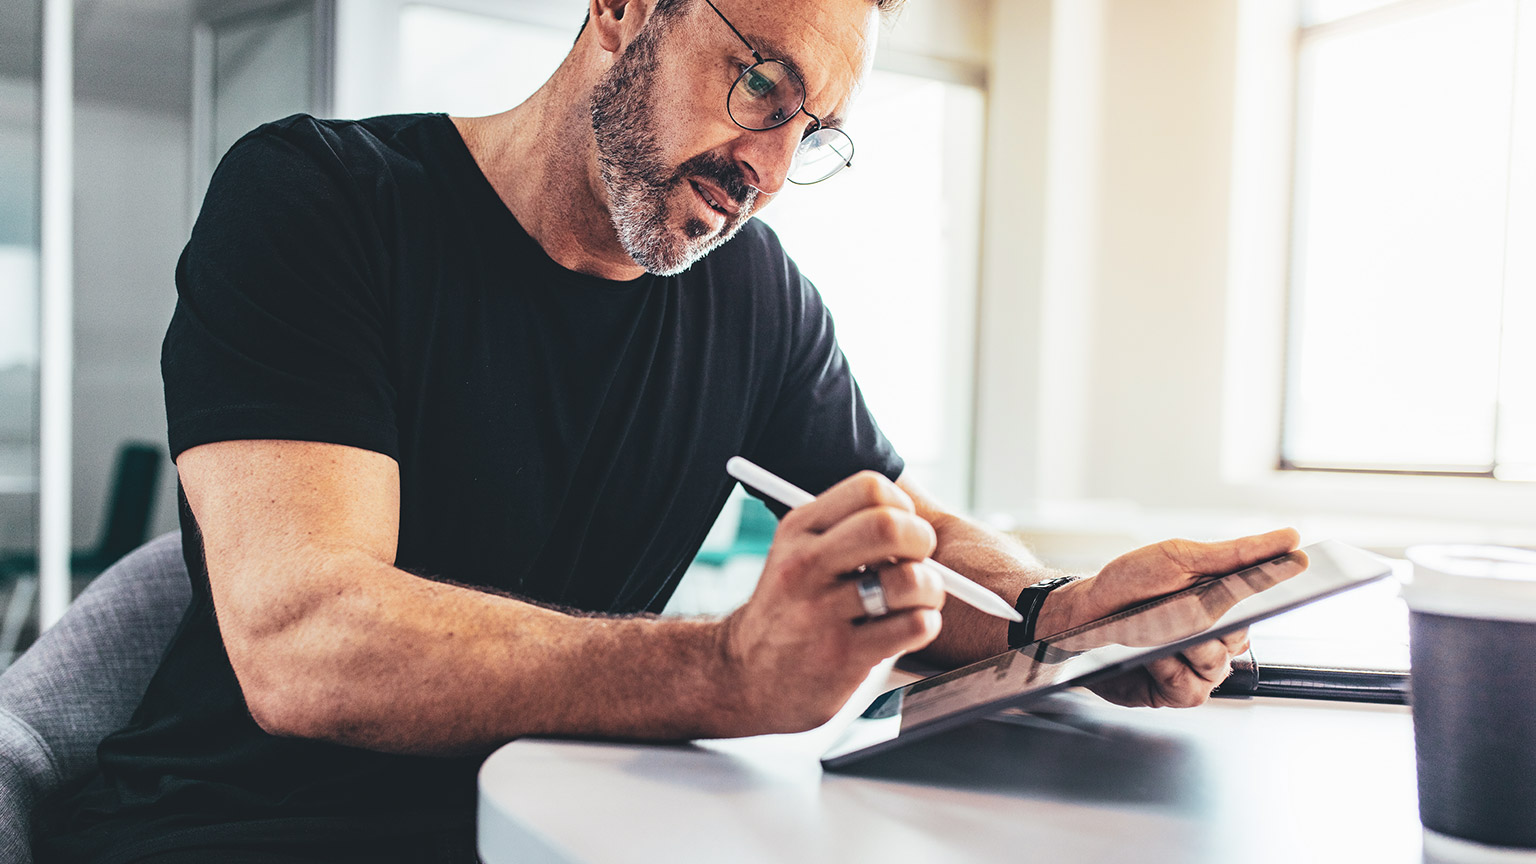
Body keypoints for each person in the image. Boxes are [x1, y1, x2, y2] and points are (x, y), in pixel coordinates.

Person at [37, 0, 1297, 861]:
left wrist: (1063, 615)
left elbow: (900, 538)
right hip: (236, 837)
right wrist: (724, 672)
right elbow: (303, 644)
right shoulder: (321, 202)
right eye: (763, 84)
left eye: (814, 131)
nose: (769, 164)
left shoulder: (756, 301)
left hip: (551, 835)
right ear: (622, 7)